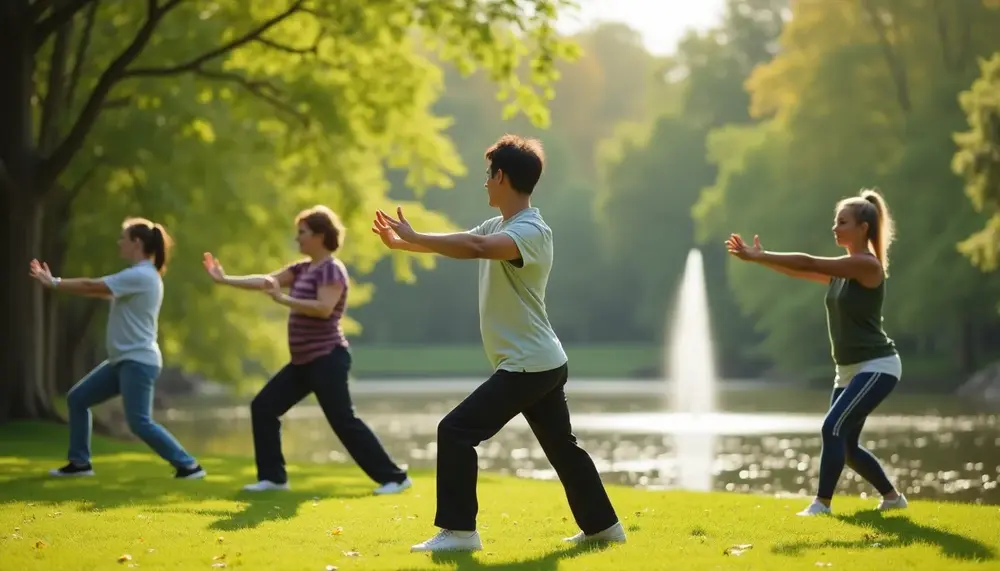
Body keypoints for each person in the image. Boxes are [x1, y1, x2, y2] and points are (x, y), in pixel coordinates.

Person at [372, 134, 625, 553]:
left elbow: (475, 248)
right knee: (562, 447)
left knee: (454, 430)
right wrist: (407, 243)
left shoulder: (531, 231)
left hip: (529, 363)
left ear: (502, 176)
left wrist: (415, 236)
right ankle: (604, 528)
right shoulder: (500, 225)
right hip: (539, 360)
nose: (484, 183)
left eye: (488, 175)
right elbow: (464, 243)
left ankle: (459, 533)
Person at [203, 205, 410, 495]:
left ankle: (396, 478)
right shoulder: (302, 268)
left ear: (320, 235)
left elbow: (324, 309)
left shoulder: (332, 270)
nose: (297, 239)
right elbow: (267, 282)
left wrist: (283, 300)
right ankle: (274, 479)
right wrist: (225, 279)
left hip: (327, 359)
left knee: (343, 421)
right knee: (263, 407)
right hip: (302, 362)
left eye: (302, 233)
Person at [725, 189, 908, 516]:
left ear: (863, 227)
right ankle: (893, 498)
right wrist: (761, 259)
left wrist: (760, 255)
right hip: (849, 369)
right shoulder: (842, 274)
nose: (835, 228)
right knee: (847, 447)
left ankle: (821, 504)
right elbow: (800, 270)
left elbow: (808, 261)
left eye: (842, 222)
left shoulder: (866, 266)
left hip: (877, 365)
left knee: (832, 428)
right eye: (835, 222)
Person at [29, 218, 206, 480]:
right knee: (78, 399)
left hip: (137, 361)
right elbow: (97, 291)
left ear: (137, 243)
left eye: (123, 238)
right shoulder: (138, 277)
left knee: (138, 422)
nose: (119, 243)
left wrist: (54, 282)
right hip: (122, 360)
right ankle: (80, 463)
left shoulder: (141, 275)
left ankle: (189, 465)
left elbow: (92, 285)